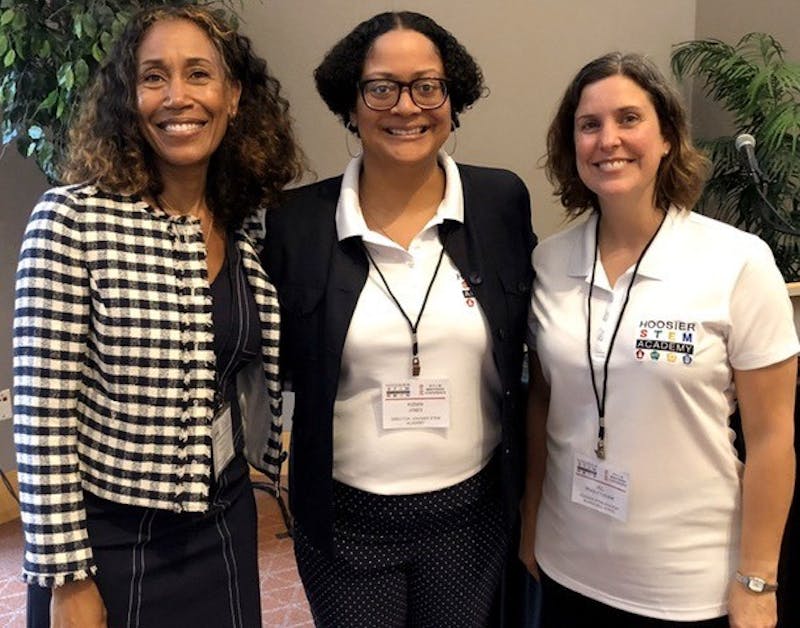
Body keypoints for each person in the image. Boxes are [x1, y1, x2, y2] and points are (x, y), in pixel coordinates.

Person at [12, 5, 303, 627]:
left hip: (224, 518)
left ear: (232, 96)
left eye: (198, 74)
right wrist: (67, 578)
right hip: (110, 536)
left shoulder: (245, 223)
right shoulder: (72, 220)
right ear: (129, 97)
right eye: (153, 77)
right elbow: (42, 419)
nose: (177, 97)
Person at [263, 11, 535, 627]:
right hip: (344, 520)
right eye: (381, 87)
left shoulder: (499, 203)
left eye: (427, 85)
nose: (406, 106)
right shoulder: (298, 223)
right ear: (351, 104)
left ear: (452, 98)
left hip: (474, 511)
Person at [520, 51, 798, 627]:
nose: (608, 140)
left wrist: (758, 579)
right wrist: (529, 522)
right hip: (567, 562)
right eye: (589, 124)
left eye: (629, 119)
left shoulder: (737, 262)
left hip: (685, 582)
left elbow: (773, 437)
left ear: (667, 136)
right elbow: (545, 404)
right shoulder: (549, 261)